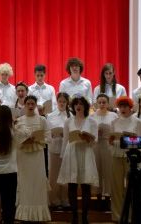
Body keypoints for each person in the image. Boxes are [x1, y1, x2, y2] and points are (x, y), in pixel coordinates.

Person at [58, 95, 98, 224]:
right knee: (72, 185)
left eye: (81, 104)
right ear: (73, 107)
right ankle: (74, 216)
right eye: (76, 104)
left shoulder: (92, 121)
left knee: (86, 186)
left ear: (85, 106)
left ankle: (85, 216)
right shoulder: (68, 121)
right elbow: (65, 140)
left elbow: (94, 141)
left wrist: (87, 138)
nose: (78, 106)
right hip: (72, 153)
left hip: (86, 152)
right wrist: (63, 157)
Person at [14, 95, 51, 222]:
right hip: (23, 156)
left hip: (37, 156)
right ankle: (23, 214)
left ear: (35, 105)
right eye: (28, 104)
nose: (30, 106)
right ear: (24, 105)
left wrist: (37, 139)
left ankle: (39, 215)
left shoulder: (42, 120)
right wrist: (24, 140)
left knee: (37, 182)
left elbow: (48, 137)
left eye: (32, 104)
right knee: (24, 183)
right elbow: (15, 139)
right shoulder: (19, 121)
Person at [109, 96, 141, 222]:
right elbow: (111, 141)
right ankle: (117, 215)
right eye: (121, 106)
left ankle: (130, 216)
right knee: (116, 186)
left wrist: (128, 139)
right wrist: (111, 141)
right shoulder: (114, 122)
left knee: (131, 187)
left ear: (130, 107)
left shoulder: (137, 122)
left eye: (125, 106)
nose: (123, 109)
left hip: (131, 157)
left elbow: (140, 141)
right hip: (116, 156)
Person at [91, 94, 118, 198]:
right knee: (97, 168)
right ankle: (97, 193)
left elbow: (116, 130)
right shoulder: (92, 116)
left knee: (108, 169)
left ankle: (108, 193)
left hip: (108, 144)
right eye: (100, 102)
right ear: (97, 103)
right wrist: (95, 132)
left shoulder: (113, 115)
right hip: (96, 144)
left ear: (108, 103)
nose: (102, 104)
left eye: (104, 102)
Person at [47, 92, 71, 209]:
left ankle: (65, 199)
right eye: (60, 101)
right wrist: (52, 133)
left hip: (67, 148)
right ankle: (54, 199)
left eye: (64, 102)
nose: (62, 103)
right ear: (57, 102)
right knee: (54, 175)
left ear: (67, 103)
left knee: (66, 174)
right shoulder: (50, 116)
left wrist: (65, 133)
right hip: (54, 147)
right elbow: (46, 133)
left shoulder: (71, 115)